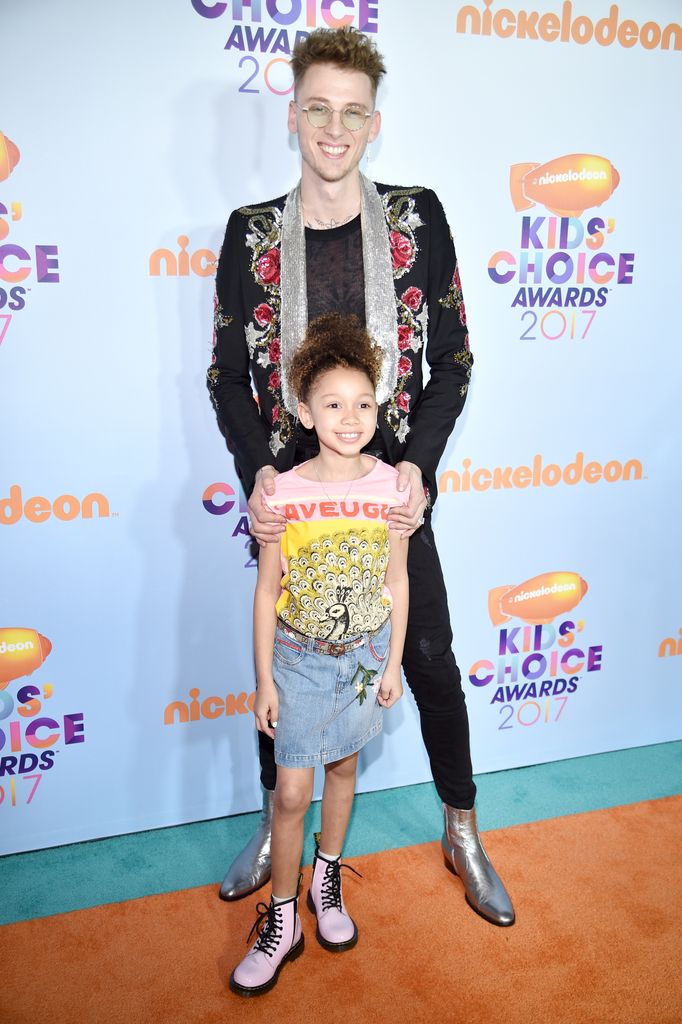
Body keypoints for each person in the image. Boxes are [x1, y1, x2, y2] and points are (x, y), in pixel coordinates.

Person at [208, 26, 515, 928]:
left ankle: (461, 828)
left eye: (352, 112)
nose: (333, 128)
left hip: (389, 501)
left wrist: (415, 467)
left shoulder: (418, 218)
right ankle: (278, 834)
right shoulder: (252, 234)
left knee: (426, 656)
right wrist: (265, 478)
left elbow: (454, 358)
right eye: (317, 109)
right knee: (292, 667)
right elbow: (229, 375)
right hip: (292, 508)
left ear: (372, 123)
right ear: (293, 113)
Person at [230, 314, 408, 996]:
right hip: (299, 662)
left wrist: (391, 663)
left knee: (342, 770)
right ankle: (282, 918)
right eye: (333, 404)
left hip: (363, 659)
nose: (350, 416)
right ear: (305, 412)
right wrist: (263, 681)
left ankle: (327, 882)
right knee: (292, 792)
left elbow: (398, 581)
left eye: (363, 403)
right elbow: (267, 588)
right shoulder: (283, 491)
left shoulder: (394, 487)